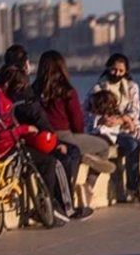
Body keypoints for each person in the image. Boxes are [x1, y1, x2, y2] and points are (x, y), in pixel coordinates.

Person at [0, 64, 77, 226]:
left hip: (2, 144)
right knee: (48, 162)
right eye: (18, 86)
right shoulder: (1, 99)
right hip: (5, 146)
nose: (19, 91)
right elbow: (2, 132)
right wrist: (25, 129)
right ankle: (46, 209)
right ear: (8, 83)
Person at [1, 45, 80, 221]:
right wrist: (54, 138)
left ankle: (59, 204)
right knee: (60, 159)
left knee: (71, 153)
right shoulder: (21, 83)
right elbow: (35, 113)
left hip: (16, 135)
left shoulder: (4, 80)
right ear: (23, 64)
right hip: (25, 138)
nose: (30, 65)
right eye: (27, 61)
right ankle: (59, 205)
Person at [34, 50, 114, 219]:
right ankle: (89, 185)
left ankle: (84, 157)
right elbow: (77, 121)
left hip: (42, 138)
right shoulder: (67, 91)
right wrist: (78, 136)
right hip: (65, 136)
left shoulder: (34, 90)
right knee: (103, 147)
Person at [89, 53, 140, 197]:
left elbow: (135, 110)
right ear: (108, 68)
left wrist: (122, 120)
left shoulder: (132, 87)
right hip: (107, 130)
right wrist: (104, 120)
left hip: (126, 127)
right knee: (125, 145)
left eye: (121, 71)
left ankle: (134, 187)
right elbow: (89, 109)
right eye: (114, 70)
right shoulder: (98, 87)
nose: (117, 74)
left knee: (138, 144)